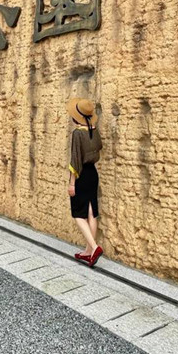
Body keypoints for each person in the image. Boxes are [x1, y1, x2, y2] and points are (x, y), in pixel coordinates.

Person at [66, 97, 103, 267]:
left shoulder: (77, 133)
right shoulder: (94, 131)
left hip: (81, 175)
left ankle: (94, 248)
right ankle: (88, 252)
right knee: (91, 212)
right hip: (93, 173)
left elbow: (75, 160)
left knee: (78, 214)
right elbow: (99, 148)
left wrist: (72, 183)